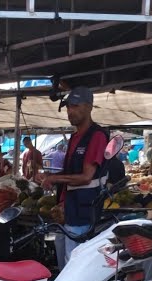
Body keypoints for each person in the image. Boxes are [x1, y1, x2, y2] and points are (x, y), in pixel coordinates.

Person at [41, 87, 108, 261]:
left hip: (83, 212)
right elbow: (71, 173)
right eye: (69, 107)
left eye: (76, 106)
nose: (70, 111)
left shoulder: (97, 136)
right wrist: (49, 178)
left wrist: (55, 178)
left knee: (74, 261)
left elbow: (86, 176)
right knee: (63, 257)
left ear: (89, 107)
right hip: (69, 210)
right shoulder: (75, 137)